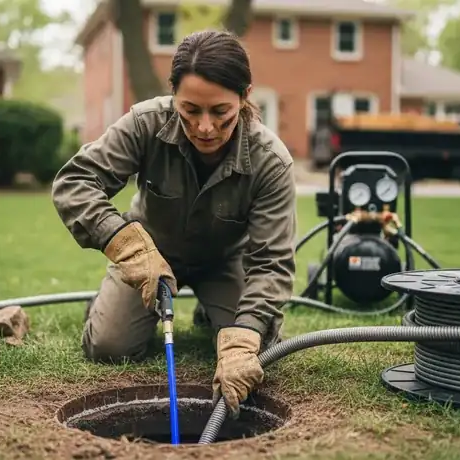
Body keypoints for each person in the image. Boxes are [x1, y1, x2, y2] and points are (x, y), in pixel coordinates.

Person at [51, 29, 297, 418]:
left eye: (220, 113)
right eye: (190, 111)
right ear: (173, 94)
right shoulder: (144, 123)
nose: (204, 128)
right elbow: (75, 183)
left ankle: (213, 313)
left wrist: (246, 331)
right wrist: (125, 246)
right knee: (108, 348)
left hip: (224, 263)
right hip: (147, 256)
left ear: (245, 96)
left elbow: (272, 263)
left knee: (260, 351)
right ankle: (103, 308)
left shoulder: (271, 161)